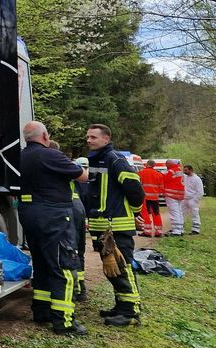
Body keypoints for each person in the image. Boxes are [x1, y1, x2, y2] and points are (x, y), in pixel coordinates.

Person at [20, 122, 90, 335]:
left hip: (28, 213)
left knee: (41, 263)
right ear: (44, 136)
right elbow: (83, 176)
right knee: (63, 266)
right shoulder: (51, 155)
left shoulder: (20, 156)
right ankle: (64, 321)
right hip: (53, 215)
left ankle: (41, 312)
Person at [84, 124, 145, 327]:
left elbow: (135, 189)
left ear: (106, 139)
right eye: (88, 137)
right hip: (102, 226)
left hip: (116, 226)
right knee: (112, 269)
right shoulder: (98, 159)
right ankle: (121, 306)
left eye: (93, 137)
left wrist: (135, 212)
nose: (89, 140)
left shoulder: (115, 159)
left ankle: (130, 312)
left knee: (122, 266)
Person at [70, 156, 89, 299]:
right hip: (80, 210)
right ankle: (81, 289)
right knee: (79, 250)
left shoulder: (63, 169)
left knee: (71, 251)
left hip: (69, 210)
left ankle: (75, 289)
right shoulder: (84, 178)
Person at [138, 159, 165, 237]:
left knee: (145, 213)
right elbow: (161, 187)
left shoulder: (141, 173)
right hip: (155, 197)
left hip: (145, 197)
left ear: (147, 164)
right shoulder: (159, 174)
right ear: (154, 165)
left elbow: (138, 185)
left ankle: (147, 231)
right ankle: (158, 231)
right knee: (156, 213)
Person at [164, 159, 186, 236]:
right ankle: (180, 229)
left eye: (167, 164)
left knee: (174, 212)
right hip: (180, 194)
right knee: (179, 211)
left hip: (171, 194)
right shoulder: (179, 171)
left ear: (170, 164)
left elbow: (164, 179)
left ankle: (176, 231)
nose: (166, 165)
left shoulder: (171, 171)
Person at [182, 165, 204, 235]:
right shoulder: (185, 177)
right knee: (182, 213)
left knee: (194, 213)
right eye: (184, 170)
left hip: (192, 198)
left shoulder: (196, 179)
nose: (184, 171)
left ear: (191, 170)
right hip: (185, 198)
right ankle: (180, 228)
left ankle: (195, 229)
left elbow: (200, 191)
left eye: (186, 170)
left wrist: (195, 200)